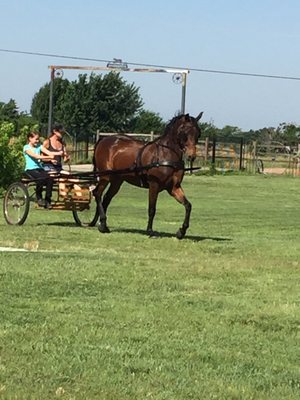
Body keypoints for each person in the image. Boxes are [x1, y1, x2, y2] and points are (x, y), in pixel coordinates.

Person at [23, 132, 62, 209]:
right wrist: (49, 158)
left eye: (38, 139)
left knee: (50, 179)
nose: (37, 141)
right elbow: (36, 156)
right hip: (30, 169)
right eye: (36, 139)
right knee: (41, 179)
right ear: (30, 139)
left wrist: (58, 153)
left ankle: (48, 200)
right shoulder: (26, 148)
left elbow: (49, 152)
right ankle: (39, 198)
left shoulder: (39, 146)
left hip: (40, 168)